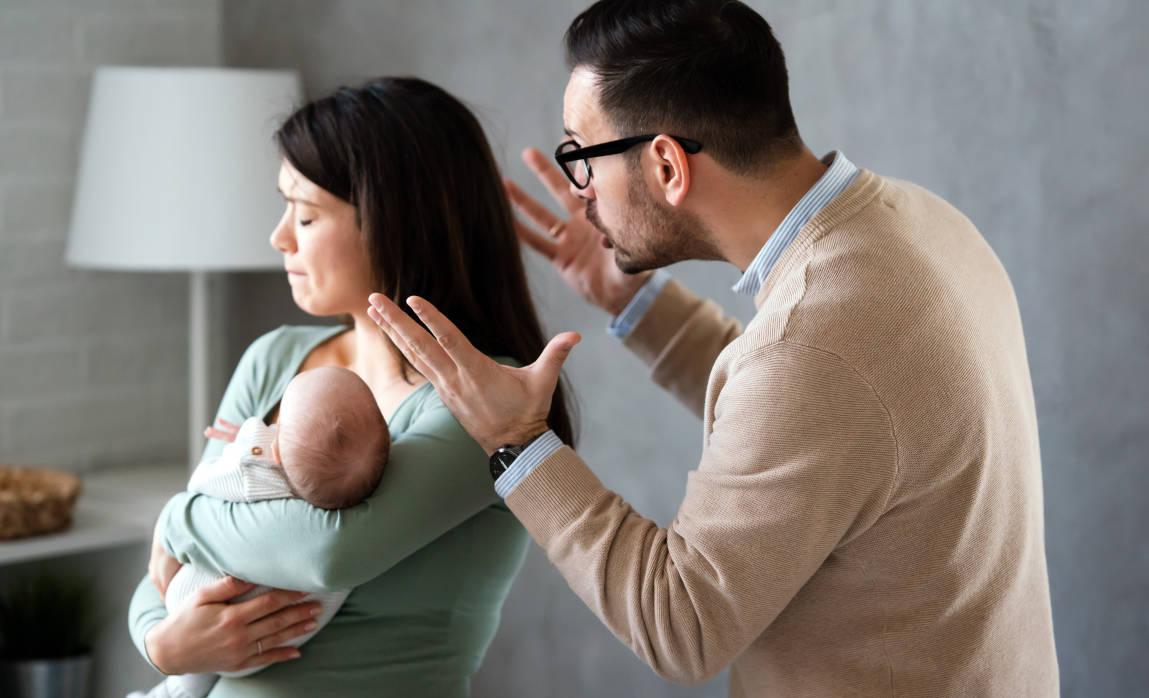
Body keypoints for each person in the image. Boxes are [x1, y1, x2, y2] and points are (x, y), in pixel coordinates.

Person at [367, 1, 1059, 695]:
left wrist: (517, 441)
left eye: (581, 154)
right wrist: (626, 297)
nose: (580, 190)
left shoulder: (812, 347)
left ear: (666, 165)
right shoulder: (915, 221)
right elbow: (815, 420)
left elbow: (681, 624)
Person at [128, 76, 576, 698]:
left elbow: (328, 554)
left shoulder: (487, 401)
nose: (279, 237)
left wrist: (177, 517)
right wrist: (161, 643)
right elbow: (167, 577)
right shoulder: (276, 359)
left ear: (395, 220)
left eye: (306, 215)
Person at [131, 366, 389, 698]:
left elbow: (201, 485)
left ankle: (176, 691)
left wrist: (243, 443)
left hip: (201, 609)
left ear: (276, 449)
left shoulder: (255, 475)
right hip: (284, 638)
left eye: (276, 424)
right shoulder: (354, 506)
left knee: (187, 671)